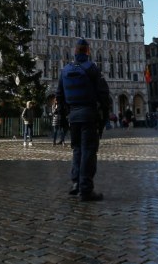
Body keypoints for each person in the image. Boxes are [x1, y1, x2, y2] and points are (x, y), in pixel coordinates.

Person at [56, 38, 110, 202]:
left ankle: (76, 184)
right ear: (88, 52)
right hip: (88, 115)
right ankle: (86, 189)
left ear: (74, 52)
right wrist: (104, 116)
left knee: (77, 150)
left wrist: (63, 117)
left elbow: (59, 95)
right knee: (88, 151)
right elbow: (103, 95)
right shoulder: (92, 68)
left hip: (73, 116)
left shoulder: (65, 70)